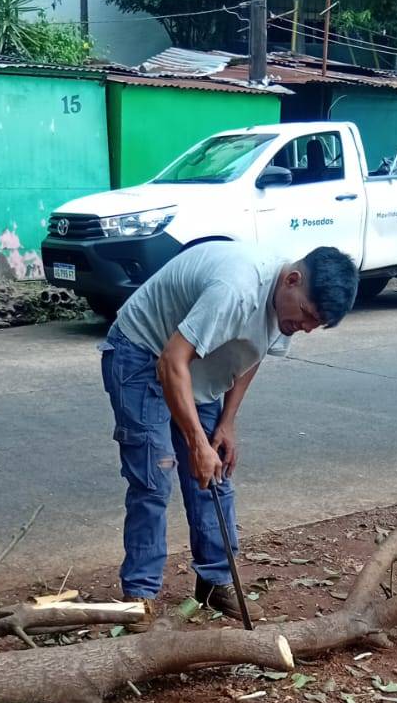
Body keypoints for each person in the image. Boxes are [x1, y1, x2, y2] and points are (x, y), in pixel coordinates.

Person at [101, 240, 358, 619]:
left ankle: (215, 582)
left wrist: (227, 422)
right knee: (155, 476)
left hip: (196, 363)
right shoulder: (236, 289)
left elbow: (251, 353)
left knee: (216, 471)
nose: (304, 328)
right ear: (292, 279)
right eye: (306, 316)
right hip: (143, 351)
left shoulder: (287, 306)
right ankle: (138, 596)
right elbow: (171, 362)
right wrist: (195, 444)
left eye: (314, 325)